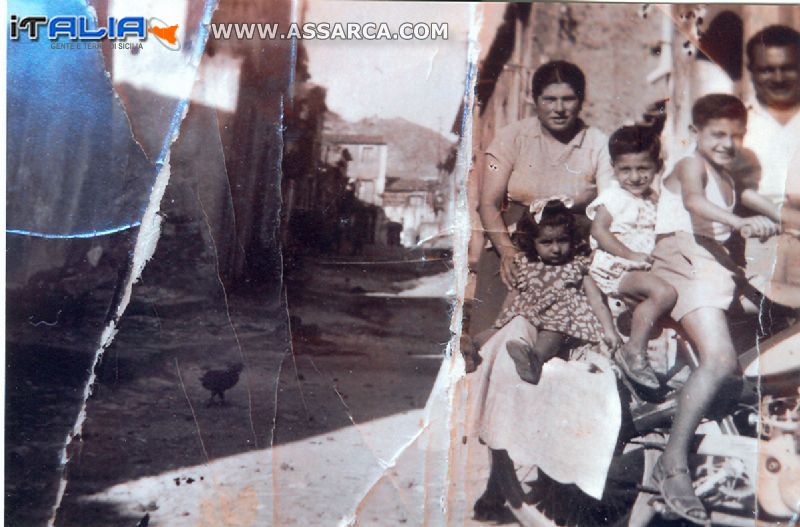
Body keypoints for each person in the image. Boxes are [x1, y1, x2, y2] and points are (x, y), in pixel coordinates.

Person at [649, 94, 779, 524]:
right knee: (721, 359)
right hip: (682, 262)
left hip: (712, 265)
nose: (727, 142)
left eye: (735, 135)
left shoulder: (727, 176)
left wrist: (785, 219)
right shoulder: (692, 166)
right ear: (695, 135)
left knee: (776, 320)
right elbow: (693, 203)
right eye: (717, 134)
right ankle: (674, 462)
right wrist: (742, 224)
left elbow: (762, 205)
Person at [471, 60, 614, 339]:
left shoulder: (597, 142)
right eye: (549, 99)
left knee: (568, 340)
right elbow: (488, 203)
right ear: (534, 100)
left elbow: (610, 204)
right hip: (513, 239)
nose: (558, 109)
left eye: (568, 99)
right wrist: (508, 252)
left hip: (571, 246)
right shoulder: (512, 137)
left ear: (581, 101)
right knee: (492, 334)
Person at [490, 199, 622, 384]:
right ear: (532, 242)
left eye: (562, 241)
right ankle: (472, 348)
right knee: (498, 332)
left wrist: (610, 330)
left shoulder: (577, 265)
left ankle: (535, 359)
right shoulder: (526, 264)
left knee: (554, 330)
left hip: (562, 320)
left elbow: (596, 300)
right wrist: (501, 321)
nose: (556, 249)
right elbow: (513, 294)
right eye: (546, 242)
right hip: (528, 313)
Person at [587, 126, 677, 389]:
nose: (635, 177)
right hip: (617, 267)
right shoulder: (613, 197)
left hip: (642, 266)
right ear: (614, 168)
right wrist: (630, 254)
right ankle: (634, 352)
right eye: (626, 170)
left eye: (643, 169)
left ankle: (674, 364)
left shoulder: (653, 198)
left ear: (657, 166)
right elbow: (599, 230)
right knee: (664, 293)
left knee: (674, 294)